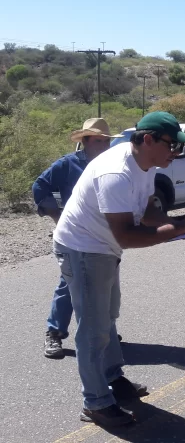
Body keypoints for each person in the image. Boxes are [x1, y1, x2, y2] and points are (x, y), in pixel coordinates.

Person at [52, 111, 185, 427]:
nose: (176, 153)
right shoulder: (116, 172)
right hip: (82, 249)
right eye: (171, 145)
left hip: (103, 248)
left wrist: (176, 222)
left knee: (107, 318)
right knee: (92, 329)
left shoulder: (147, 163)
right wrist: (178, 230)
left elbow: (147, 210)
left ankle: (112, 378)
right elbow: (128, 234)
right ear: (148, 139)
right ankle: (95, 403)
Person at [33, 118, 123, 359]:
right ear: (85, 142)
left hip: (104, 238)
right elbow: (40, 186)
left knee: (106, 284)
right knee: (68, 284)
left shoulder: (111, 165)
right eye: (98, 141)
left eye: (107, 141)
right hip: (74, 237)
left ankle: (106, 333)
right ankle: (54, 333)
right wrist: (56, 215)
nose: (104, 146)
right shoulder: (67, 165)